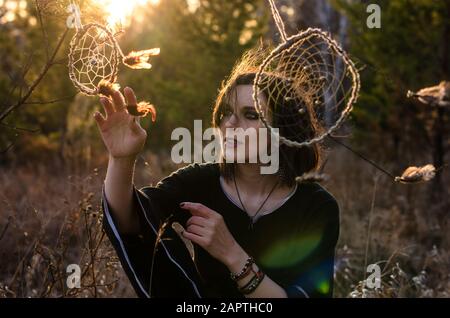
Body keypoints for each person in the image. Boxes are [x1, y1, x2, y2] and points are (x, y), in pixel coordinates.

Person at [94, 51, 340, 298]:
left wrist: (232, 254)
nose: (230, 124)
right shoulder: (199, 183)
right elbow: (130, 224)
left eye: (250, 114)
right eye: (225, 113)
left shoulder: (316, 207)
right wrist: (121, 159)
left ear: (282, 130)